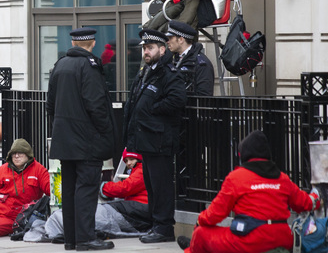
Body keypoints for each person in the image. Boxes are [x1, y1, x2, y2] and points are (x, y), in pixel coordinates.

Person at [177, 130, 321, 253]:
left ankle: (190, 248)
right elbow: (305, 203)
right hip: (282, 237)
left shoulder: (237, 177)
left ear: (244, 155)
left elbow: (215, 214)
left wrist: (199, 220)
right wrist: (315, 196)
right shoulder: (282, 178)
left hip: (250, 239)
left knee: (201, 234)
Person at [47, 26, 116, 251]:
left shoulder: (60, 65)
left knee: (69, 189)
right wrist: (106, 133)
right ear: (93, 43)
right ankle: (85, 239)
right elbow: (96, 106)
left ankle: (72, 239)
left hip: (65, 140)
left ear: (74, 43)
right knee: (86, 189)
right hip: (87, 140)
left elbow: (50, 105)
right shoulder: (90, 66)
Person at [124, 29, 187, 243]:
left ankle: (164, 228)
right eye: (144, 48)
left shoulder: (169, 73)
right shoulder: (146, 71)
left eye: (150, 48)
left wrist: (152, 109)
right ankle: (156, 224)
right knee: (152, 186)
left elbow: (177, 100)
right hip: (147, 140)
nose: (146, 52)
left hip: (160, 140)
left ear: (162, 49)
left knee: (161, 186)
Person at [97, 149, 151, 237]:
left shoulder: (141, 170)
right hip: (141, 207)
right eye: (126, 161)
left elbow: (124, 188)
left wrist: (103, 187)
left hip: (142, 206)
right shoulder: (139, 170)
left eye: (131, 159)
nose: (128, 163)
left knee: (109, 208)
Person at [164, 20, 214, 96]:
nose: (167, 41)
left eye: (170, 38)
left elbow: (204, 96)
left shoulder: (201, 64)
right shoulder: (172, 59)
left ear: (181, 40)